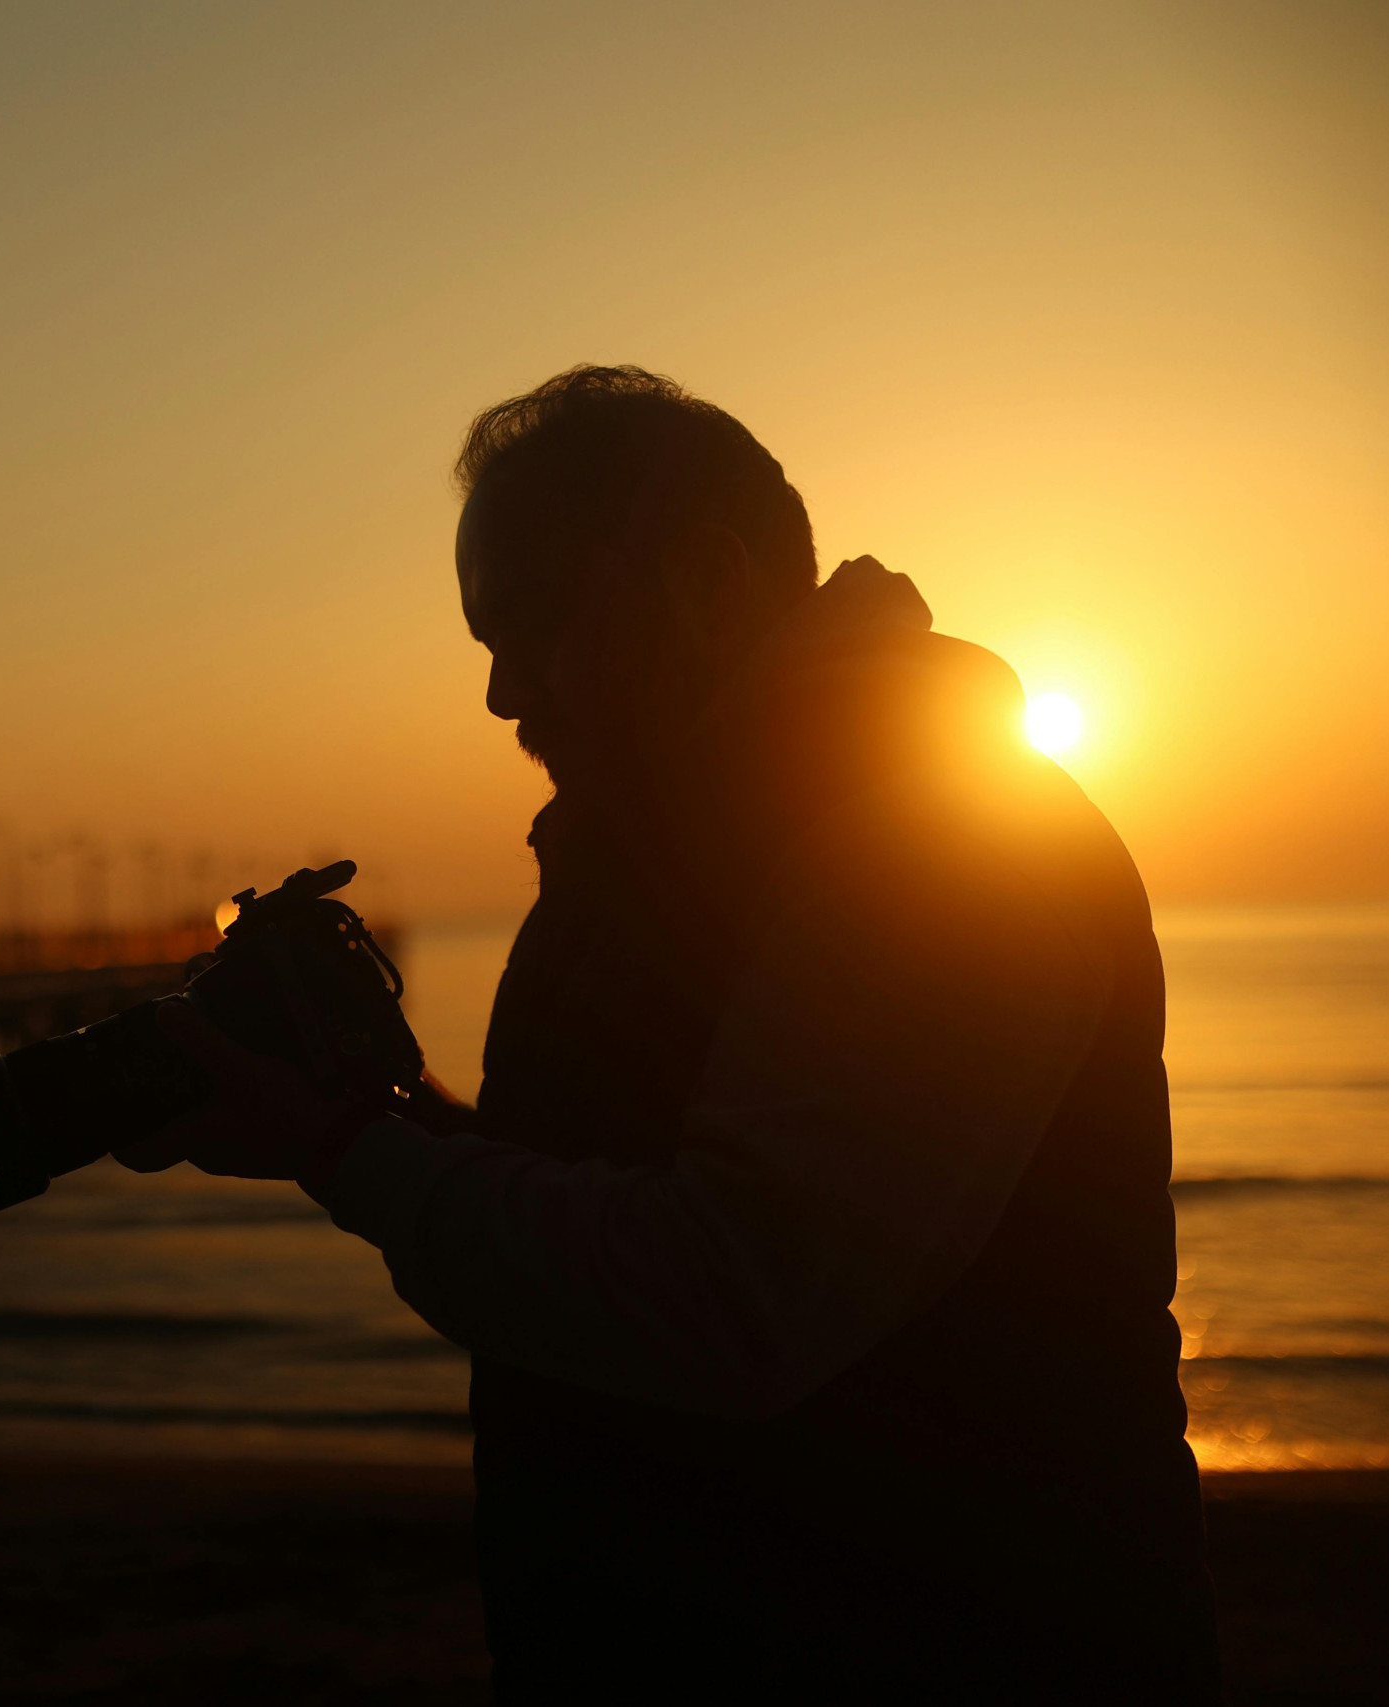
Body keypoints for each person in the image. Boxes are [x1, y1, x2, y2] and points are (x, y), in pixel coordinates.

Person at [116, 366, 1221, 1701]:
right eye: (484, 642)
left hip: (947, 1642)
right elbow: (647, 1196)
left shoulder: (939, 833)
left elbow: (730, 1298)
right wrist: (364, 1132)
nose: (502, 693)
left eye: (537, 621)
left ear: (708, 582)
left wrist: (356, 1154)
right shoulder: (683, 842)